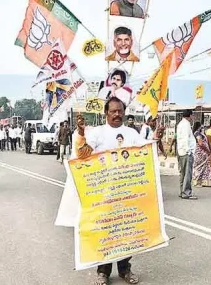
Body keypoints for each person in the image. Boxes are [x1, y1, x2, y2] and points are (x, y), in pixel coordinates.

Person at [55, 98, 145, 285]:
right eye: (113, 111)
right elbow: (83, 154)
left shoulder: (131, 133)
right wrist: (81, 133)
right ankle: (103, 272)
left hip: (125, 192)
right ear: (106, 113)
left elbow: (144, 152)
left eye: (120, 111)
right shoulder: (97, 133)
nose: (117, 114)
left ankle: (125, 270)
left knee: (124, 233)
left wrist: (156, 138)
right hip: (103, 193)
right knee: (105, 233)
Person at [176, 110, 197, 200]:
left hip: (181, 151)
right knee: (187, 174)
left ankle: (182, 191)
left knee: (183, 173)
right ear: (190, 115)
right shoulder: (186, 124)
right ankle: (186, 192)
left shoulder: (181, 124)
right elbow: (185, 139)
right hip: (186, 152)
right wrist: (189, 151)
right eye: (193, 115)